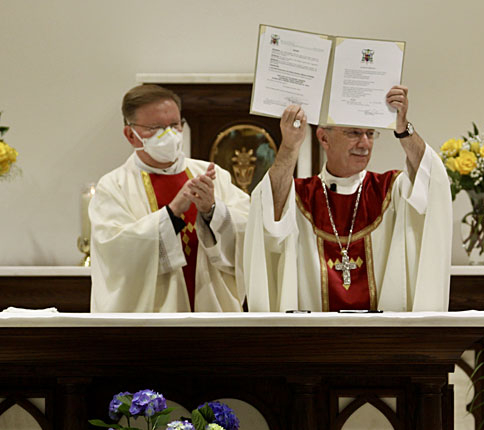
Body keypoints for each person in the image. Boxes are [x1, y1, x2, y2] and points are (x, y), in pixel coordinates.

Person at [243, 85, 452, 311]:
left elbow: (433, 184)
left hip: (381, 340)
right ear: (324, 138)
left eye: (370, 134)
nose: (364, 144)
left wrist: (403, 130)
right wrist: (290, 146)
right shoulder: (300, 196)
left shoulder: (389, 191)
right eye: (353, 133)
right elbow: (268, 213)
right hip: (312, 339)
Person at [90, 85, 250, 312]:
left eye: (174, 125)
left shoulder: (213, 176)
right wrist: (172, 212)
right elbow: (115, 255)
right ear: (130, 135)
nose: (169, 135)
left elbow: (250, 236)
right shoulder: (113, 187)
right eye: (155, 128)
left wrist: (212, 211)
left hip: (213, 315)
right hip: (151, 326)